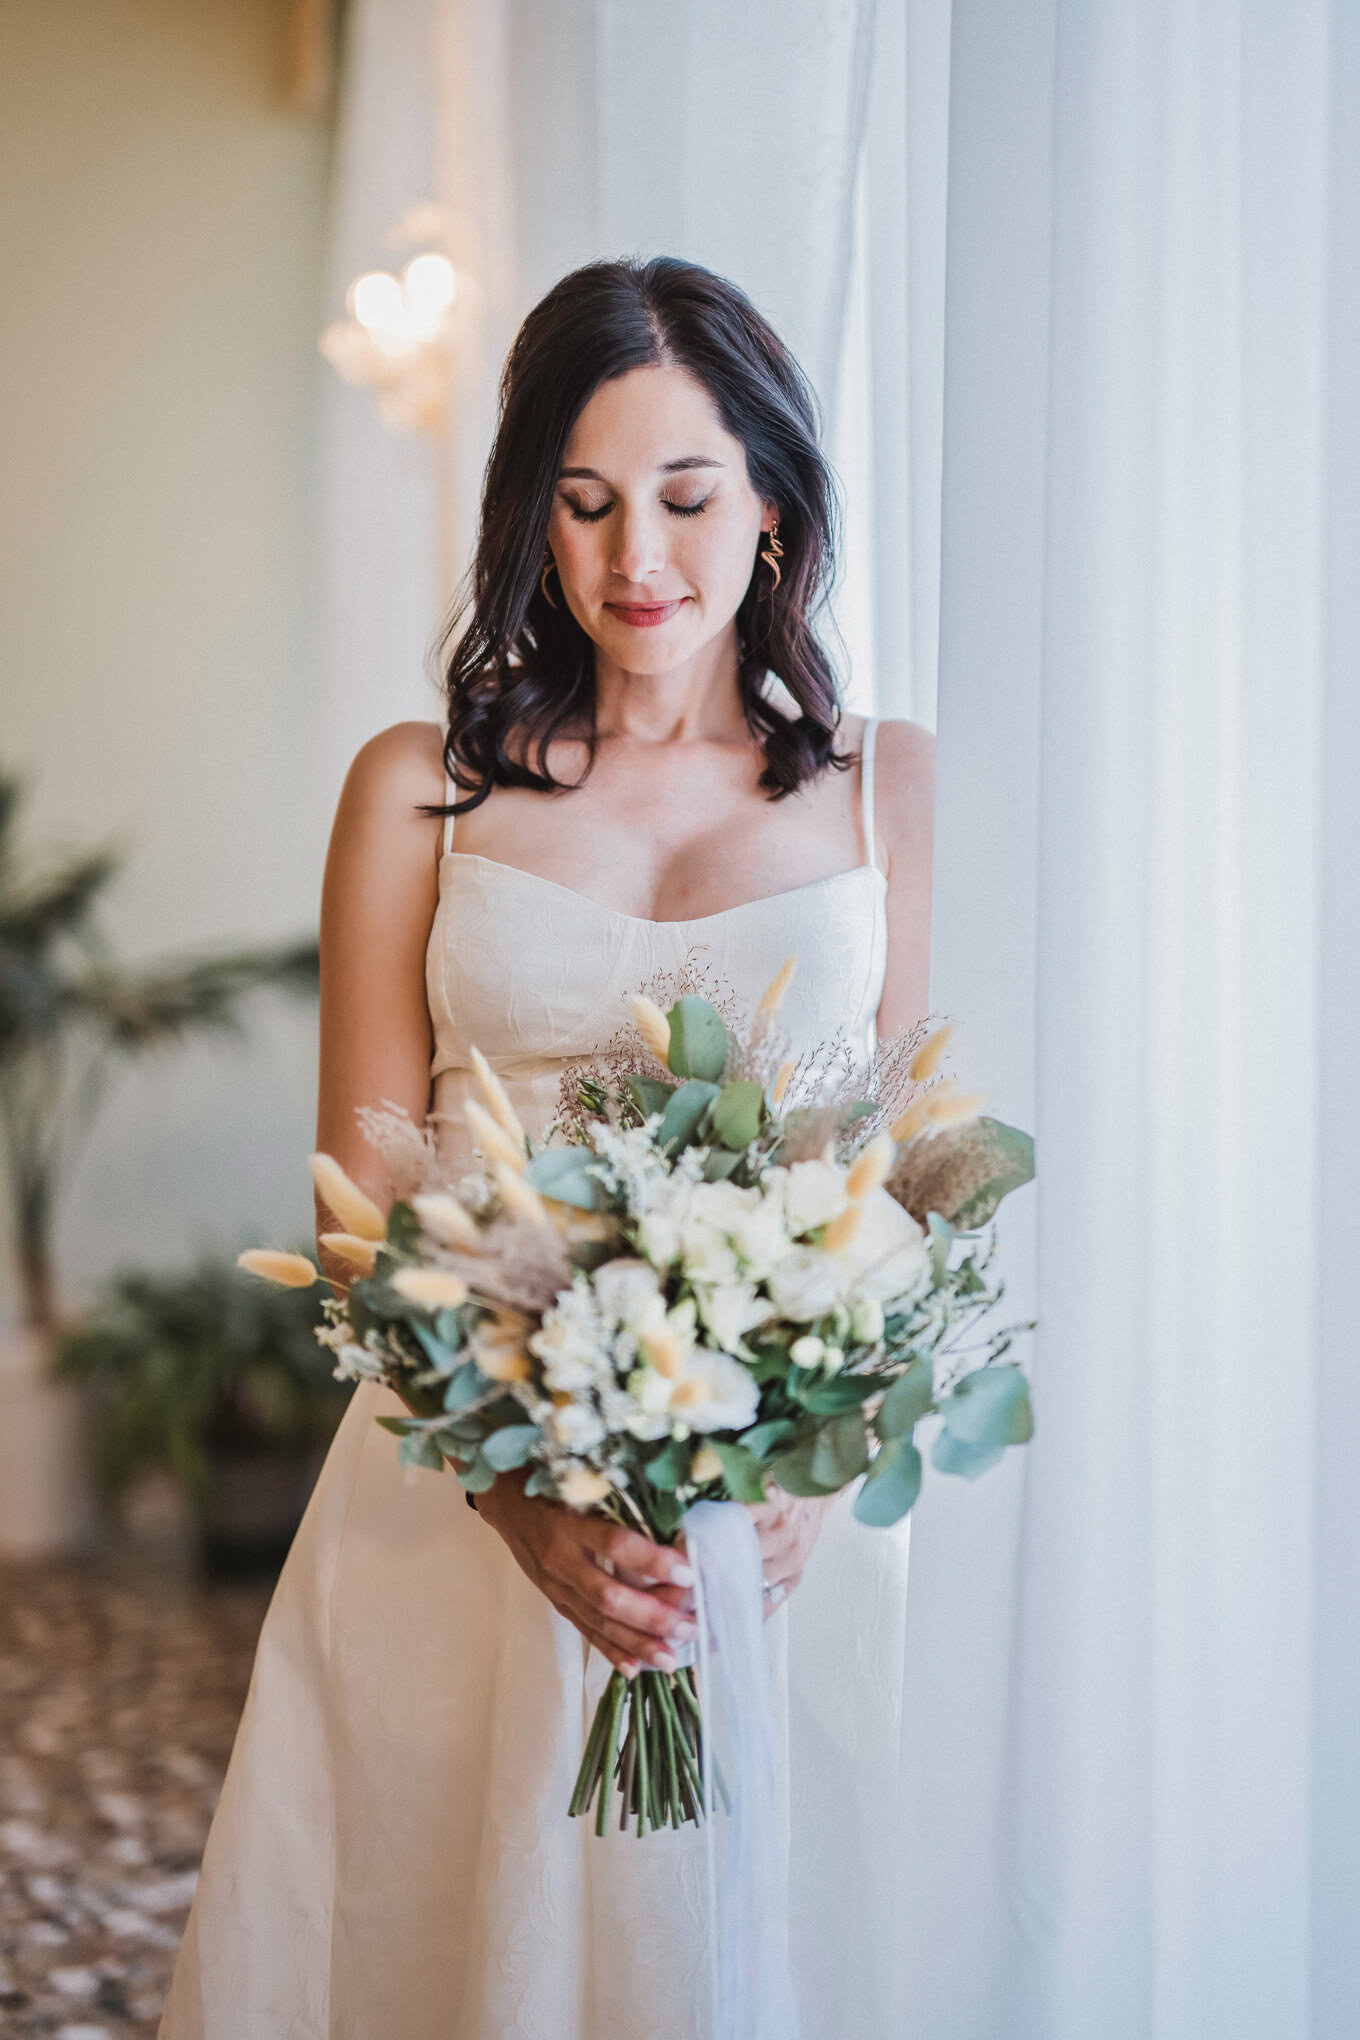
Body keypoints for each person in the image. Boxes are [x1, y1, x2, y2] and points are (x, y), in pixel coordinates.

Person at [159, 255, 935, 2040]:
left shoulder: (890, 792)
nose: (633, 558)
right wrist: (518, 1497)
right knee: (435, 1936)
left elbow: (903, 1175)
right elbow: (362, 1194)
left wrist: (816, 1470)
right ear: (531, 519)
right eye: (582, 505)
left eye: (684, 495)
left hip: (769, 1511)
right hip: (458, 1481)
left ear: (775, 509)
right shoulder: (419, 784)